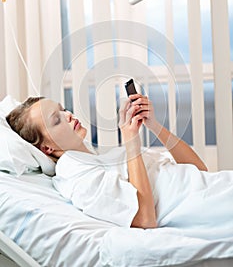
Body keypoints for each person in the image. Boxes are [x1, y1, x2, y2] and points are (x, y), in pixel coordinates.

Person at [6, 94, 233, 235]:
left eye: (62, 109)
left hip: (217, 186)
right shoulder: (75, 177)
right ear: (47, 148)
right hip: (211, 204)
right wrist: (131, 140)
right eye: (57, 119)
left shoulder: (103, 158)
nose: (68, 115)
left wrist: (154, 125)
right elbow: (145, 220)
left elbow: (199, 170)